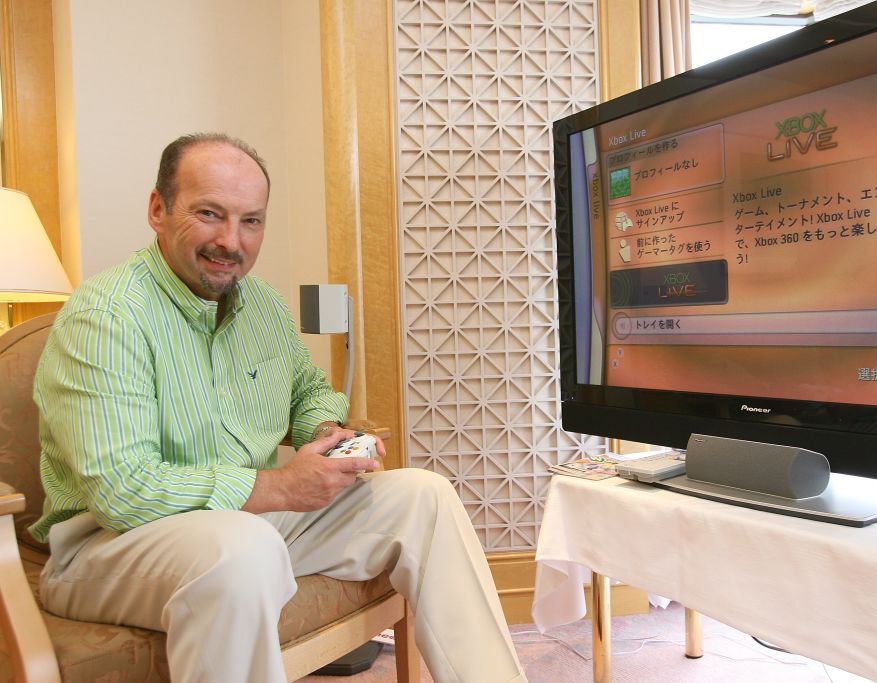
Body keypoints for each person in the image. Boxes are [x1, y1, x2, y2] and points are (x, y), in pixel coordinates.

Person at [29, 132, 527, 683]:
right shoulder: (106, 317)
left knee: (424, 498)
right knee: (243, 550)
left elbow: (307, 388)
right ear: (158, 209)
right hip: (109, 546)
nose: (230, 241)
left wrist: (326, 430)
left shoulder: (260, 303)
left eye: (251, 221)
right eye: (209, 213)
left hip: (250, 524)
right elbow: (123, 491)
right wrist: (283, 488)